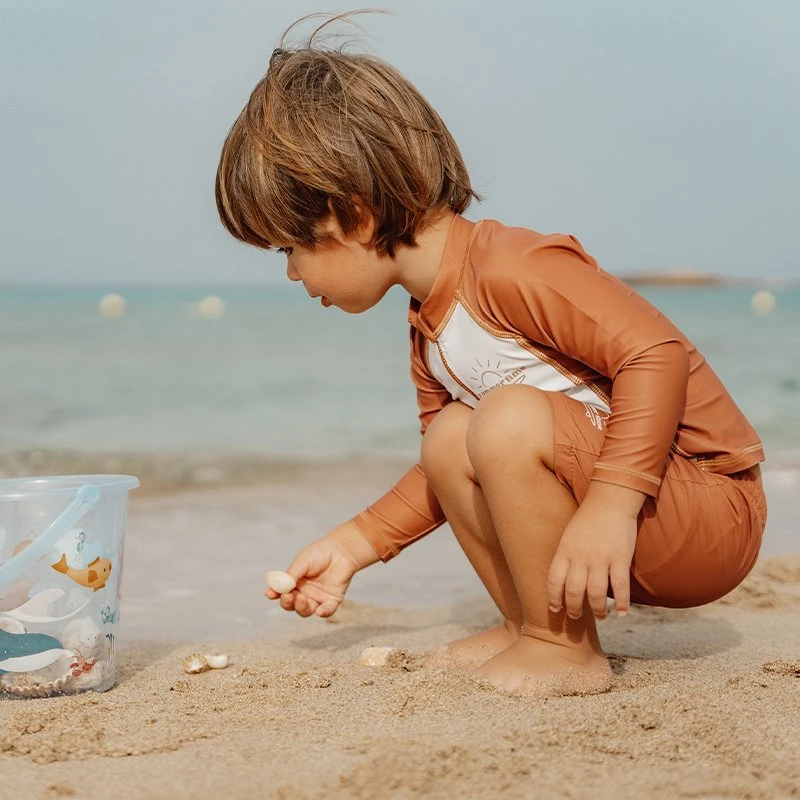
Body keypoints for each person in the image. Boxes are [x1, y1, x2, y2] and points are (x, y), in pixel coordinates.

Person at [214, 13, 767, 697]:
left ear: (352, 217)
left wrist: (610, 509)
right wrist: (355, 544)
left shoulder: (512, 267)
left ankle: (563, 648)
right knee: (451, 435)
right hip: (621, 516)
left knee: (503, 417)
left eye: (288, 248)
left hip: (703, 511)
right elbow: (449, 473)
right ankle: (530, 623)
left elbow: (655, 354)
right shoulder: (428, 328)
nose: (293, 274)